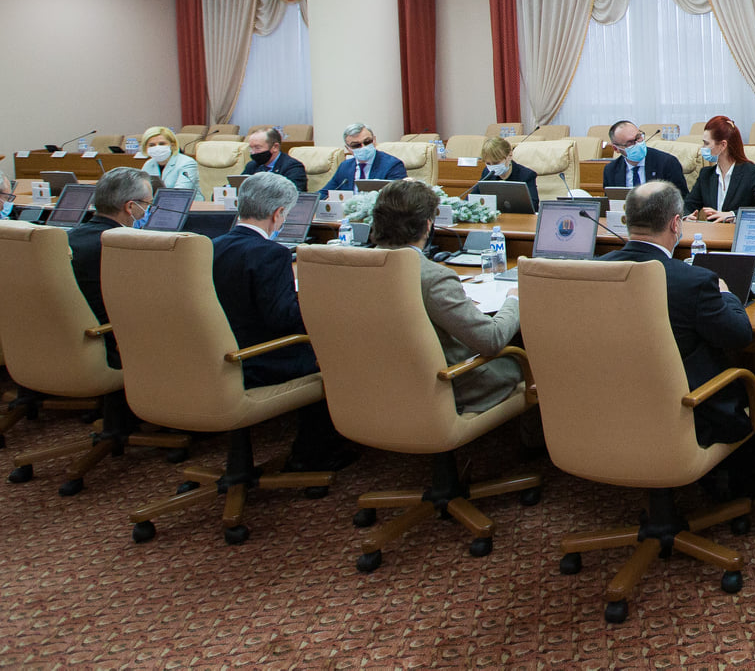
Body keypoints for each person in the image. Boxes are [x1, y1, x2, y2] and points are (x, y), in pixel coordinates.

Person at [603, 180, 755, 495]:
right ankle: (736, 488)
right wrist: (726, 294)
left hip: (611, 408)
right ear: (676, 224)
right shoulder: (694, 282)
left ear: (627, 220)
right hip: (685, 411)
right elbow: (740, 336)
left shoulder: (595, 272)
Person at [210, 173, 355, 470]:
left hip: (218, 356)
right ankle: (312, 455)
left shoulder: (212, 246)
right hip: (258, 359)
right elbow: (283, 319)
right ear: (278, 214)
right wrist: (320, 306)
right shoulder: (271, 253)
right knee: (330, 354)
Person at [371, 179, 524, 414]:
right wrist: (514, 299)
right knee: (530, 356)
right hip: (449, 387)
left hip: (381, 384)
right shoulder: (433, 278)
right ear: (428, 225)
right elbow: (491, 339)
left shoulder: (358, 267)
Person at [66, 167, 152, 338]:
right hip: (109, 340)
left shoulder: (67, 238)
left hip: (68, 336)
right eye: (147, 204)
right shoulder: (124, 249)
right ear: (130, 206)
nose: (147, 211)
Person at [685, 116, 755, 222]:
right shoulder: (706, 174)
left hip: (736, 230)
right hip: (712, 231)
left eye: (706, 143)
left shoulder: (752, 173)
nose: (703, 148)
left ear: (723, 145)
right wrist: (686, 216)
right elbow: (688, 205)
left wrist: (733, 215)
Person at [601, 120, 688, 200]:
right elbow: (610, 203)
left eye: (638, 137)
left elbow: (682, 200)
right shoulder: (611, 170)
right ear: (616, 149)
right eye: (630, 142)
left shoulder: (667, 163)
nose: (637, 144)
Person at [320, 123, 406, 193]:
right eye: (356, 145)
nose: (363, 147)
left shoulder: (393, 165)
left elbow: (396, 198)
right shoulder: (345, 166)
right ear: (348, 149)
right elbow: (325, 193)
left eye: (367, 142)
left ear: (374, 140)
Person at [478, 135, 539, 210]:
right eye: (488, 163)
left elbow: (534, 206)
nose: (492, 167)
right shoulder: (487, 172)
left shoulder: (526, 175)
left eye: (496, 162)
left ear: (509, 155)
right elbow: (472, 198)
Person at [138, 127, 203, 198]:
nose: (157, 148)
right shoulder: (148, 164)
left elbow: (180, 192)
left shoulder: (187, 163)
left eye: (162, 144)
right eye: (152, 145)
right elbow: (142, 190)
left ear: (172, 145)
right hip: (156, 203)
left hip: (187, 203)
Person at [241, 126, 307, 192]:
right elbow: (240, 188)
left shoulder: (293, 167)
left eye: (257, 148)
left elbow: (292, 193)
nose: (253, 152)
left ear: (275, 147)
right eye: (251, 148)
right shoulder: (252, 165)